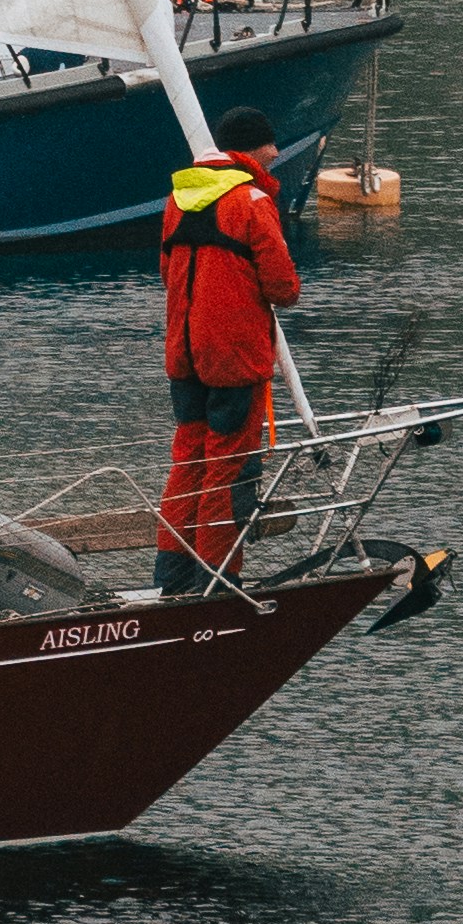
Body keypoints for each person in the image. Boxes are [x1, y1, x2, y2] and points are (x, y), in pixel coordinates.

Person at [154, 116, 301, 594]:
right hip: (233, 359)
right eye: (269, 143)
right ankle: (217, 582)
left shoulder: (176, 201)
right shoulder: (253, 202)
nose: (276, 152)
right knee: (227, 471)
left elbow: (166, 272)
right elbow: (283, 288)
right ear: (249, 151)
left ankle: (173, 578)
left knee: (187, 464)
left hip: (185, 354)